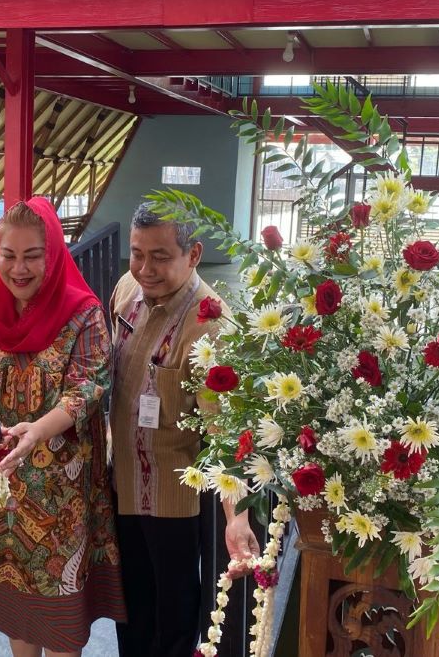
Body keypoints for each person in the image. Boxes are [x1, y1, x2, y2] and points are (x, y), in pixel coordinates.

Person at [0, 197, 125, 657]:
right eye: (9, 255)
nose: (18, 269)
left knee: (60, 606)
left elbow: (90, 385)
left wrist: (39, 429)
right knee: (14, 593)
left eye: (32, 256)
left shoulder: (82, 312)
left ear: (53, 255)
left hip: (60, 487)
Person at [109, 204, 260, 657]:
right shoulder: (126, 290)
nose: (145, 269)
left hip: (171, 498)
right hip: (119, 482)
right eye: (137, 254)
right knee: (129, 608)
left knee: (173, 613)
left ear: (193, 255)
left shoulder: (210, 326)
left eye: (160, 256)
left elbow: (224, 433)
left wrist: (236, 517)